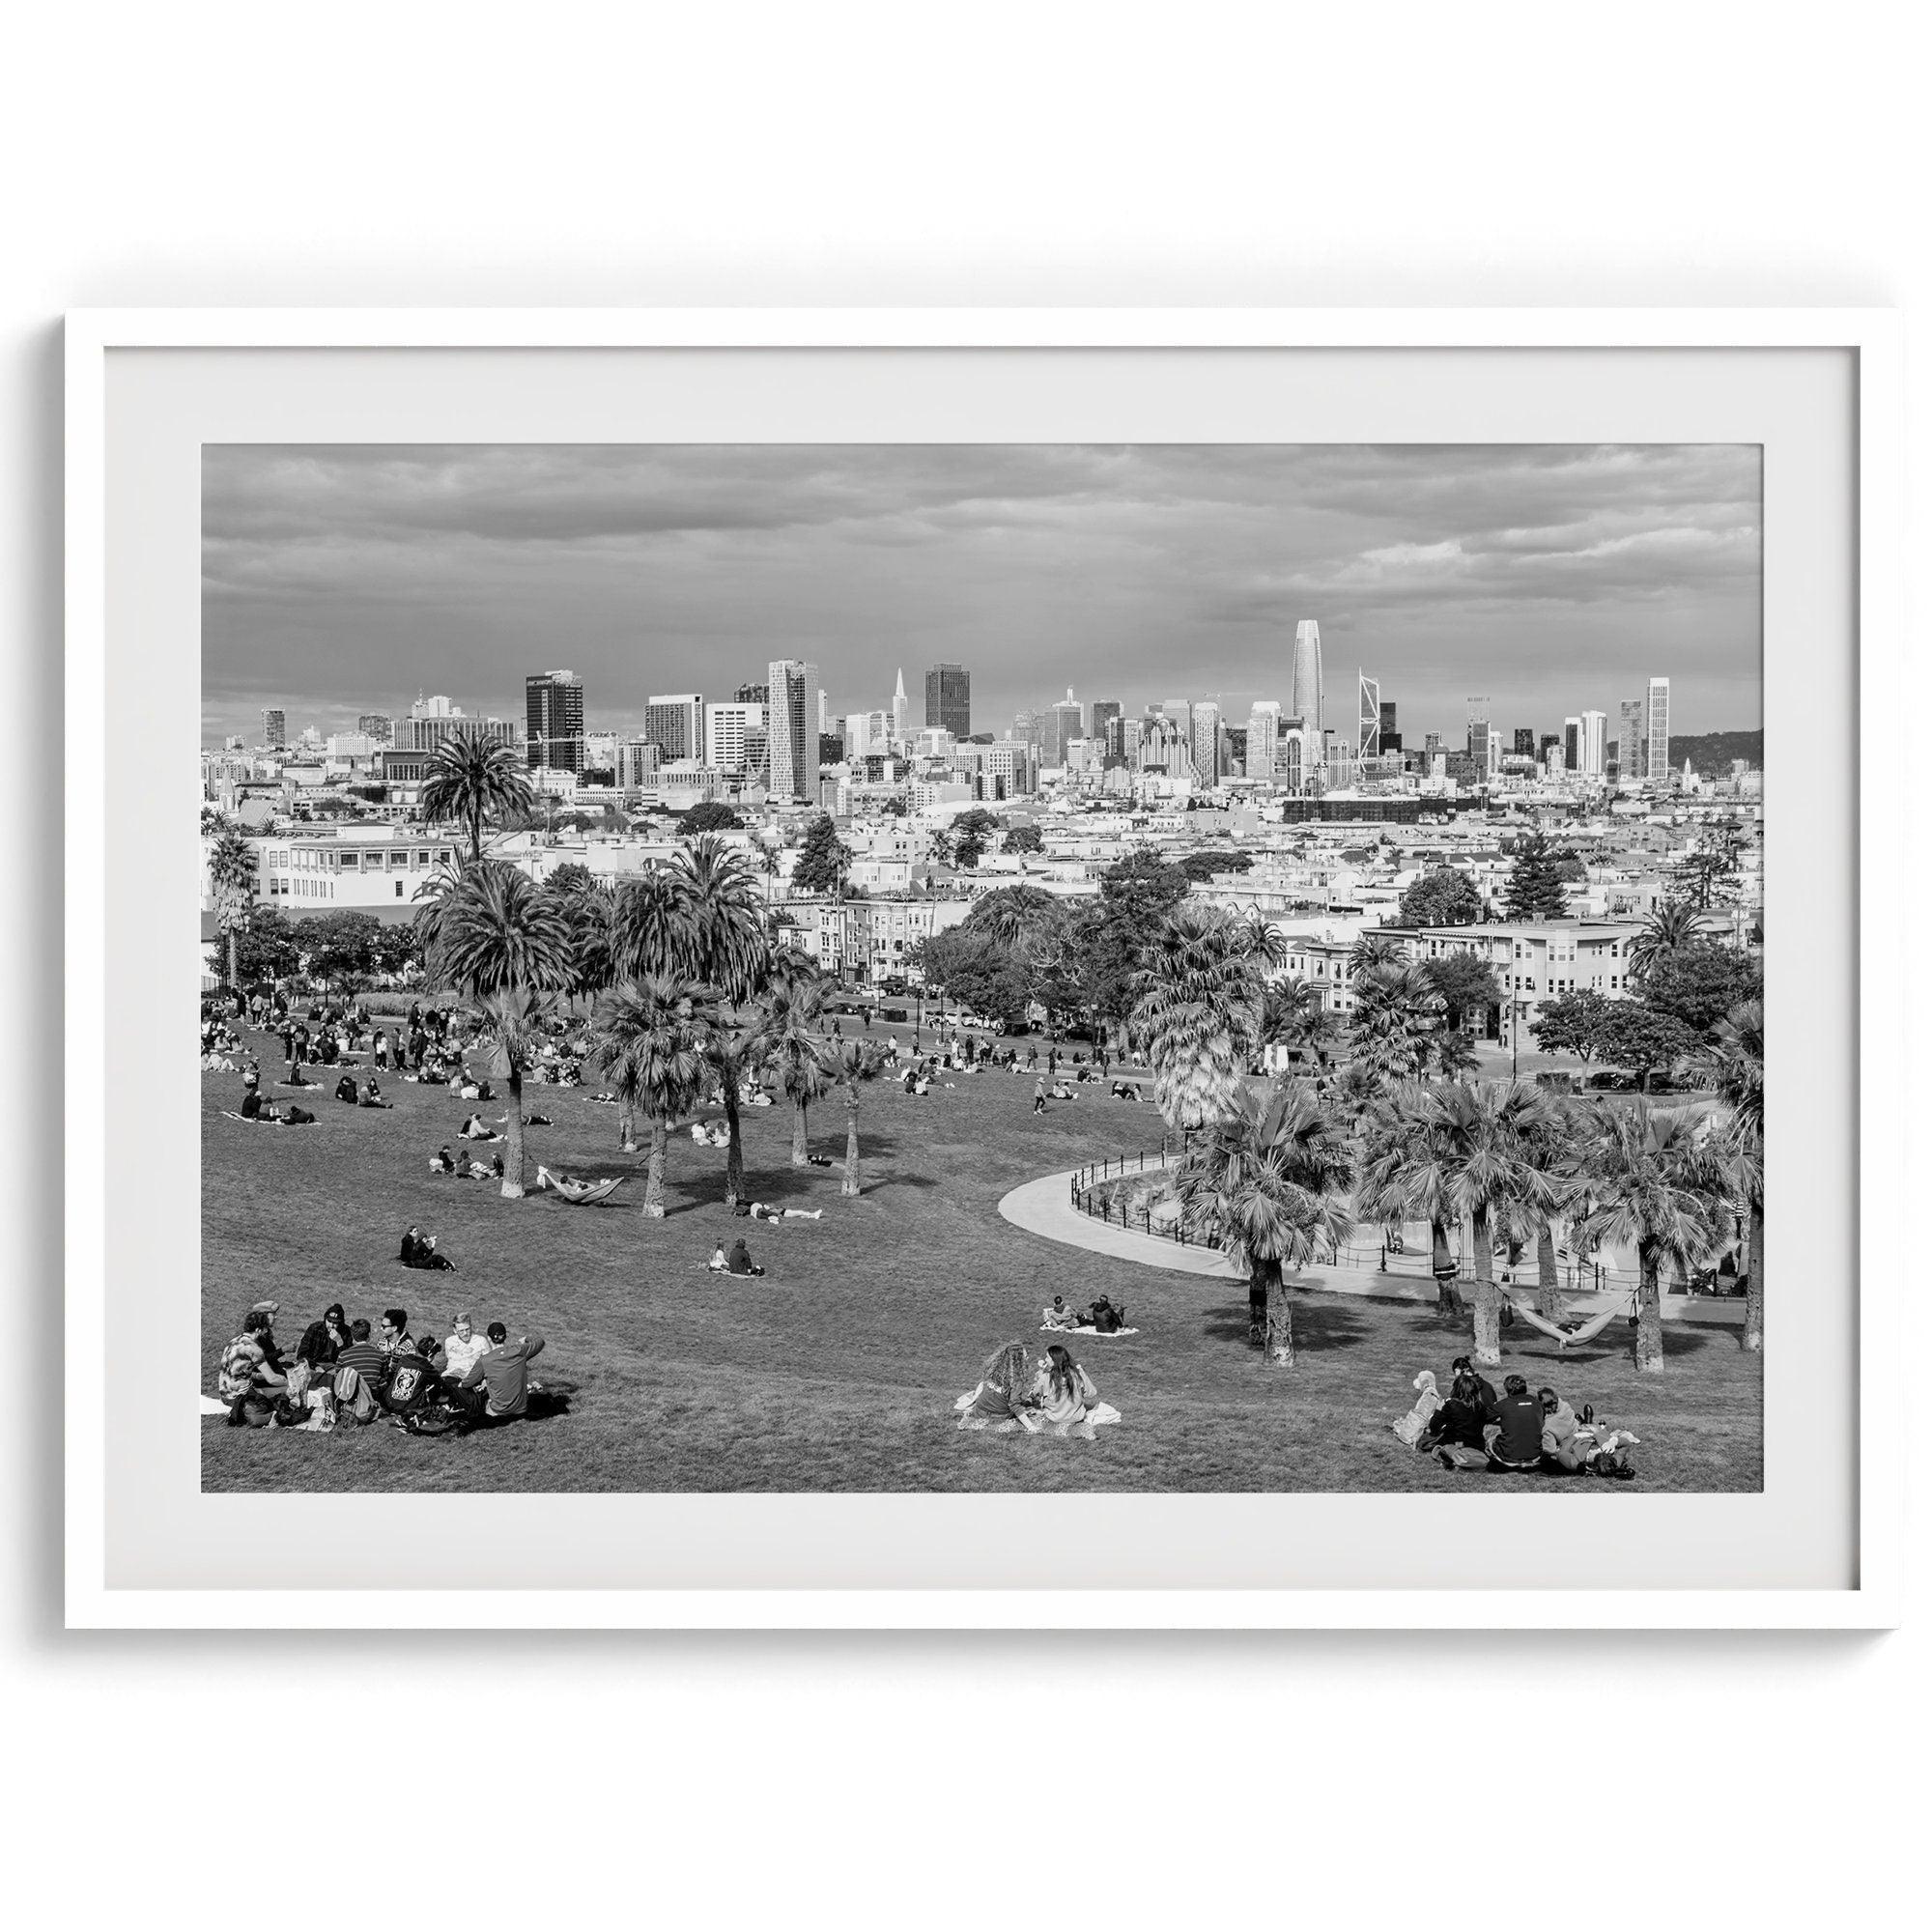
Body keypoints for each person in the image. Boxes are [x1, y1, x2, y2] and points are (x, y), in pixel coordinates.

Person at [454, 1322, 547, 1426]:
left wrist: (460, 1385)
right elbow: (540, 1341)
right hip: (521, 1409)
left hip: (497, 1412)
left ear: (488, 1338)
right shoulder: (520, 1350)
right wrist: (526, 1338)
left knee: (460, 1388)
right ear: (505, 1336)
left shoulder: (485, 1360)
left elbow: (467, 1383)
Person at [1031, 1343, 1117, 1439]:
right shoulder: (1076, 1375)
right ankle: (1082, 1430)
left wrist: (1040, 1372)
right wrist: (1081, 1371)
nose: (1045, 1360)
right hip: (1075, 1418)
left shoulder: (1045, 1377)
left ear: (1054, 1361)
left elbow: (1034, 1393)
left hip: (1054, 1418)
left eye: (1047, 1357)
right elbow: (1091, 1393)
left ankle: (1072, 1430)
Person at [217, 1310, 285, 1424]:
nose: (267, 1331)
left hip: (225, 1395)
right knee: (284, 1391)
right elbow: (272, 1379)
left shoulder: (233, 1342)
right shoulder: (254, 1349)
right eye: (266, 1328)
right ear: (259, 1329)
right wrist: (288, 1382)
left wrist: (259, 1376)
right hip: (239, 1398)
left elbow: (239, 1371)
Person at [954, 1341, 1038, 1433]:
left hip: (979, 1410)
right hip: (999, 1416)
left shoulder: (995, 1370)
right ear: (1018, 1361)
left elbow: (984, 1385)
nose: (1028, 1358)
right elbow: (1014, 1405)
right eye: (1025, 1357)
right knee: (1027, 1409)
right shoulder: (1016, 1380)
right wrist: (1031, 1426)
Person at [331, 1318, 389, 1423]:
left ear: (352, 1336)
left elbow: (338, 1379)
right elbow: (384, 1381)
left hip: (351, 1397)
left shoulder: (343, 1355)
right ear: (369, 1335)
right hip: (373, 1397)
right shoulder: (380, 1355)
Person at [1485, 1375, 1545, 1472]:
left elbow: (1485, 1417)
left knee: (1489, 1429)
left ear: (1507, 1389)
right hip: (1535, 1454)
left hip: (1508, 1455)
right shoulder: (1538, 1404)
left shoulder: (1504, 1404)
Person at [296, 1302, 352, 1370]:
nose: (331, 1326)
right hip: (314, 1364)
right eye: (329, 1321)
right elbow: (302, 1354)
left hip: (334, 1366)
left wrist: (339, 1341)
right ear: (325, 1319)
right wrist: (316, 1367)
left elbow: (347, 1359)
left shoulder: (346, 1332)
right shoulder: (315, 1329)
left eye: (335, 1323)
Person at [442, 1311, 489, 1384]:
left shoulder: (481, 1341)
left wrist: (485, 1380)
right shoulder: (449, 1342)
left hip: (471, 1379)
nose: (465, 1333)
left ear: (471, 1326)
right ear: (455, 1330)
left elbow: (489, 1364)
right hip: (450, 1377)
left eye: (467, 1329)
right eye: (461, 1331)